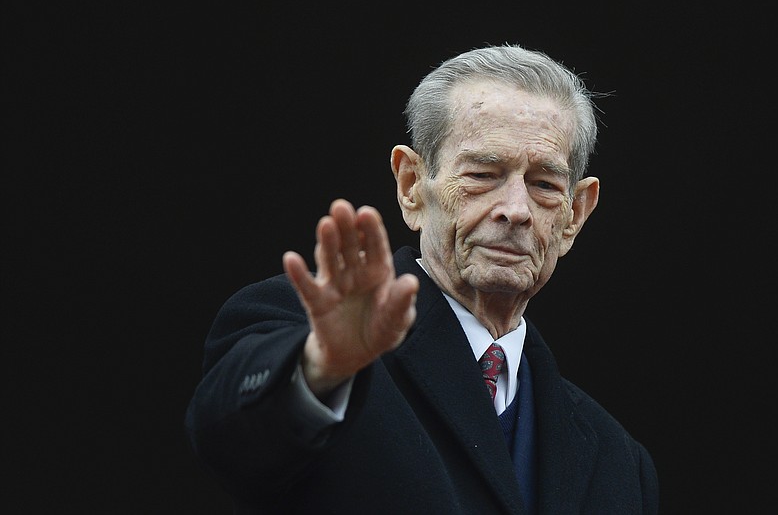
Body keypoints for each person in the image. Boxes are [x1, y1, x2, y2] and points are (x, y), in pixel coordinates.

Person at [185, 44, 659, 514]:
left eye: (544, 185)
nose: (515, 210)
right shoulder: (308, 333)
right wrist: (321, 368)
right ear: (412, 186)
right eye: (482, 174)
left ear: (574, 214)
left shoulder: (617, 460)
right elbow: (226, 444)